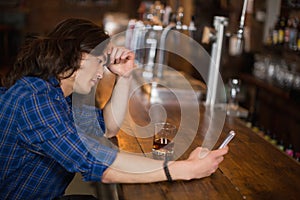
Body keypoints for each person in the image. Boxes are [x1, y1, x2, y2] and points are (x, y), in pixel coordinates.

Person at [0, 18, 228, 200]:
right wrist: (184, 169)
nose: (101, 73)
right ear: (78, 55)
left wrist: (125, 75)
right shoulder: (35, 98)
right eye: (100, 61)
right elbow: (100, 165)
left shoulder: (59, 95)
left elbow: (108, 128)